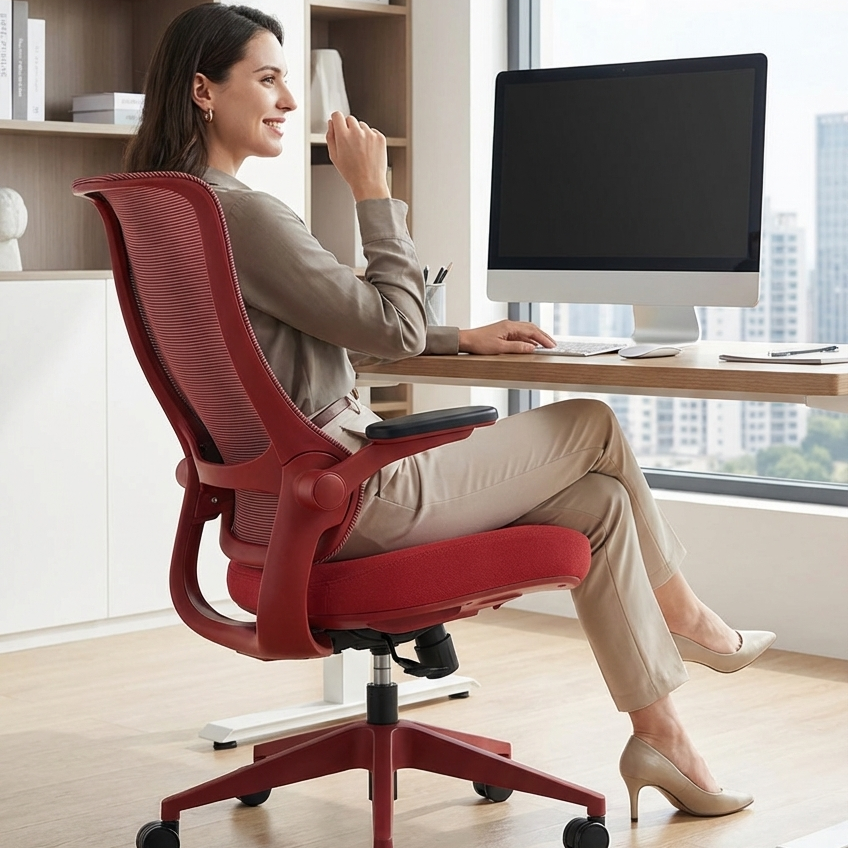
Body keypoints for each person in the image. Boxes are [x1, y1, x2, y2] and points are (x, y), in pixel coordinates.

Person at [124, 3, 775, 822]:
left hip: (283, 509)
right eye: (266, 77)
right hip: (352, 499)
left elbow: (299, 351)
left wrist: (457, 337)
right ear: (203, 92)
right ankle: (689, 617)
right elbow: (386, 322)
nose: (289, 99)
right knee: (592, 425)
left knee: (600, 504)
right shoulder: (246, 215)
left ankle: (663, 737)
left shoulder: (179, 215)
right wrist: (374, 192)